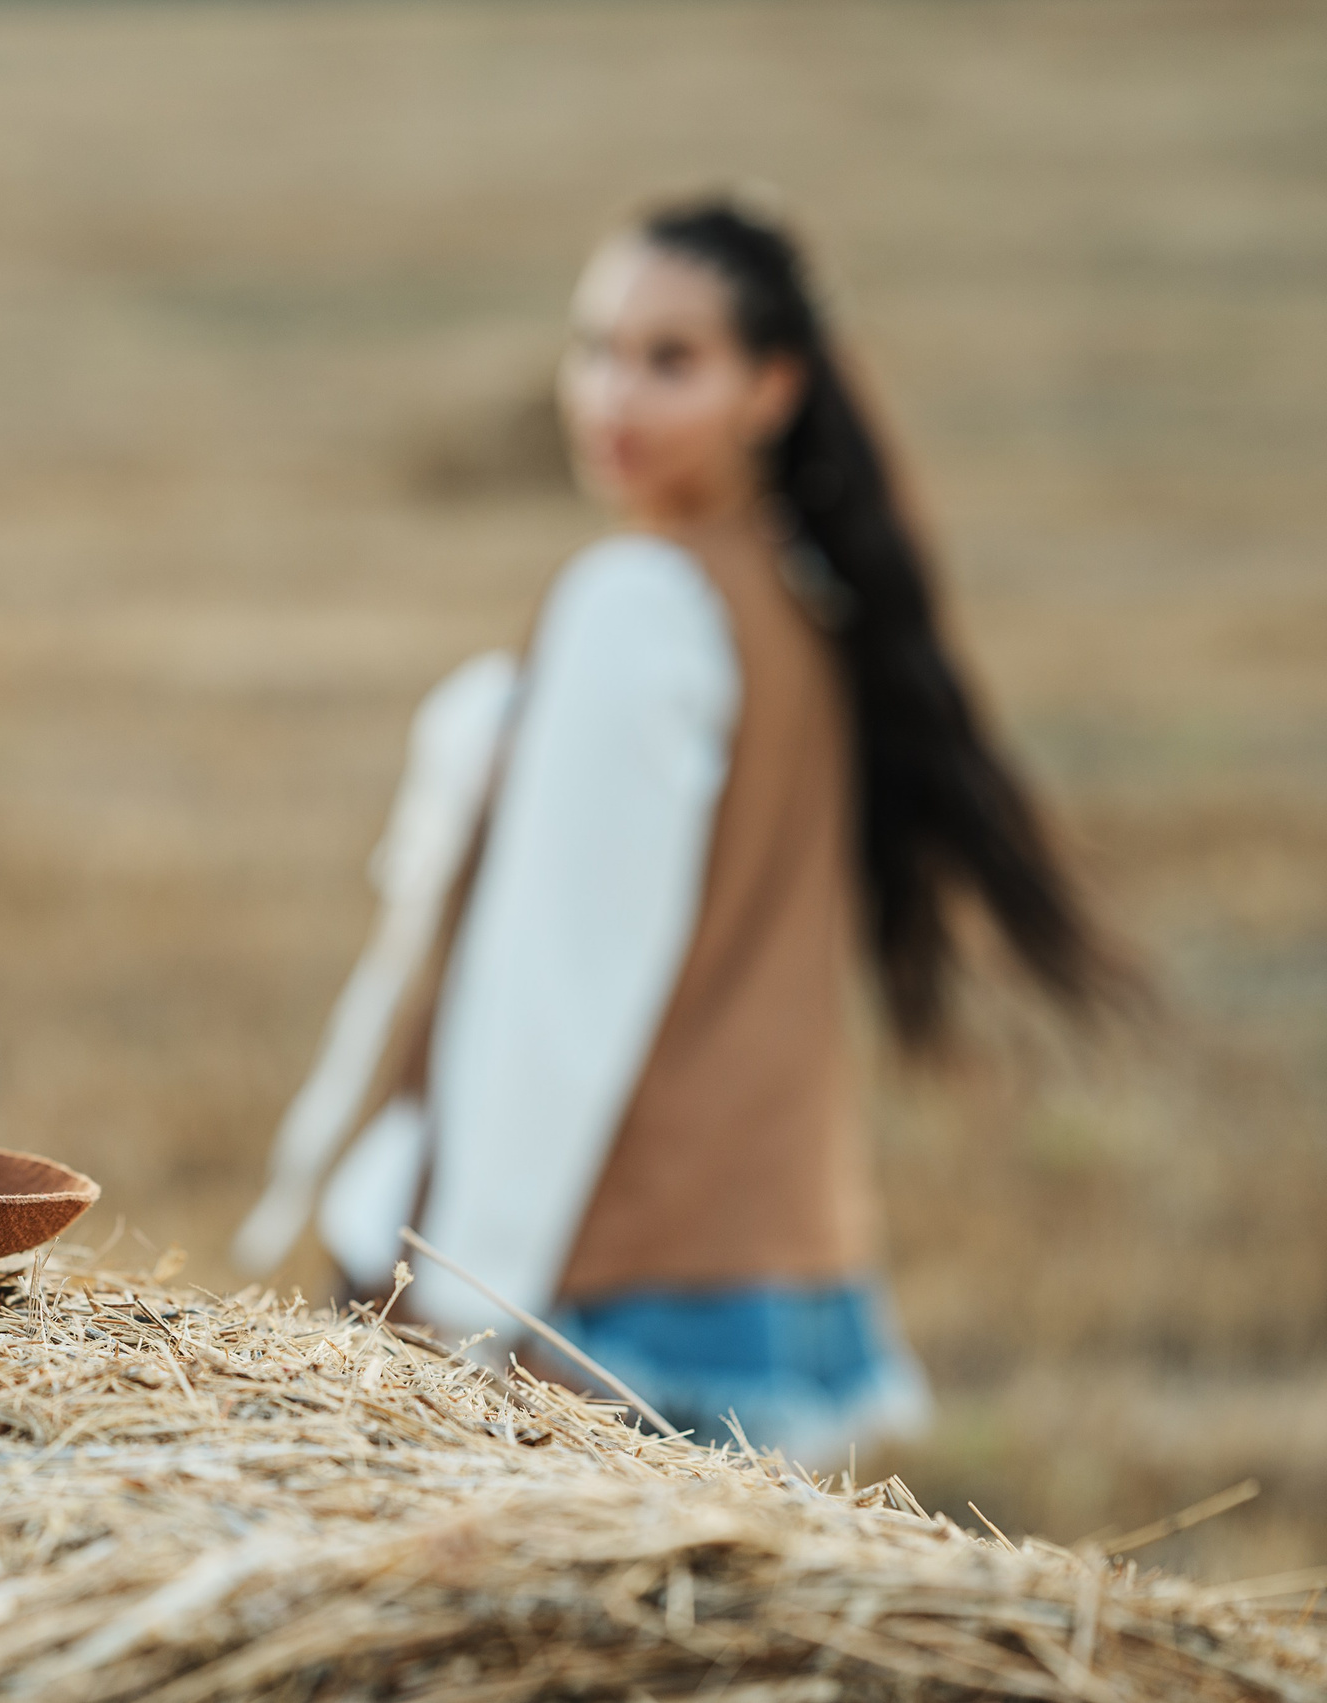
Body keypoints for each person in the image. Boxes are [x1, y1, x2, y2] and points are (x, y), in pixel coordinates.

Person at [236, 194, 1129, 1464]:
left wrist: (454, 1285)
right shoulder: (803, 595)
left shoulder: (639, 606)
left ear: (772, 387)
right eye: (594, 348)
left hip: (620, 1279)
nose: (612, 395)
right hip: (786, 1267)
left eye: (670, 360)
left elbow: (557, 985)